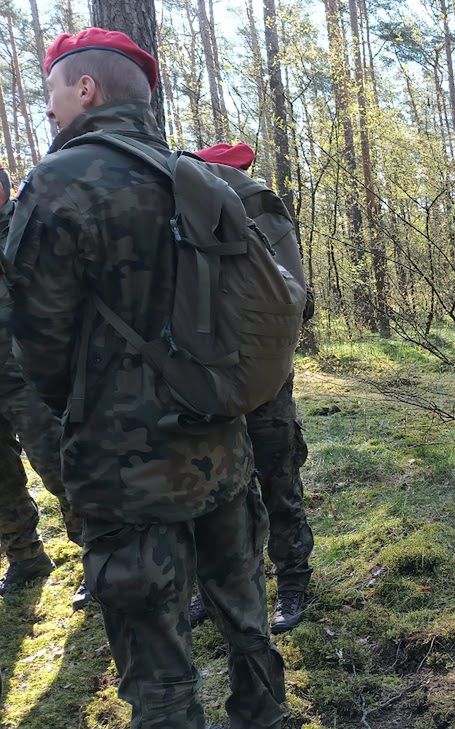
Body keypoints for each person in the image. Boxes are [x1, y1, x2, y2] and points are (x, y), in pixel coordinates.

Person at [1, 28, 287, 727]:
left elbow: (34, 341)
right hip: (220, 439)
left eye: (52, 95)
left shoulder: (58, 183)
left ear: (86, 89)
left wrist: (87, 408)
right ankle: (264, 714)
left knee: (157, 658)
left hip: (126, 469)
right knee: (245, 614)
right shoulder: (191, 172)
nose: (49, 110)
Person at [185, 142, 314, 633]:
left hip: (248, 382)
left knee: (268, 482)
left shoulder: (264, 221)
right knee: (231, 489)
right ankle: (240, 590)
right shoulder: (204, 219)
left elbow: (296, 302)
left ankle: (292, 584)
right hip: (234, 380)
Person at [0, 168, 87, 607]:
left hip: (28, 379)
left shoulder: (28, 230)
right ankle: (25, 557)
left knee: (59, 470)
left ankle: (95, 559)